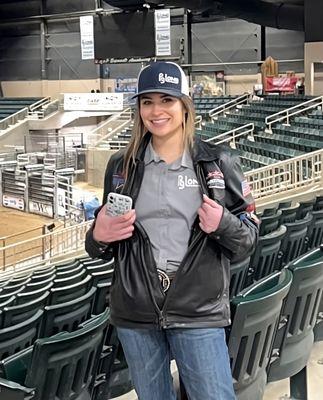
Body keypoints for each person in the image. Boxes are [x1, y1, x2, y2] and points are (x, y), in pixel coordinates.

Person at [85, 61, 259, 400]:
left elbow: (248, 237)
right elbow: (100, 246)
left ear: (184, 105)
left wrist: (223, 224)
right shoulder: (121, 166)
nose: (156, 110)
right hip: (136, 310)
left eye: (166, 100)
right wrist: (98, 236)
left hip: (199, 310)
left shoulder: (218, 162)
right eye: (147, 101)